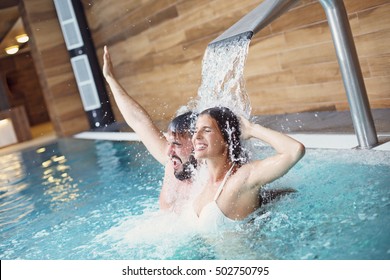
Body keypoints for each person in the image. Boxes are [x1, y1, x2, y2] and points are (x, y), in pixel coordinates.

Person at [102, 46, 197, 213]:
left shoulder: (211, 181)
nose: (168, 151)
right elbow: (138, 121)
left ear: (197, 145)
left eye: (176, 144)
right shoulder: (173, 163)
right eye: (169, 143)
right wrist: (110, 78)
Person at [191, 106, 305, 229]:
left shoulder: (241, 178)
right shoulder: (201, 179)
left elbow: (294, 150)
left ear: (226, 138)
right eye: (195, 130)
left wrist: (251, 129)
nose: (197, 136)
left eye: (207, 130)